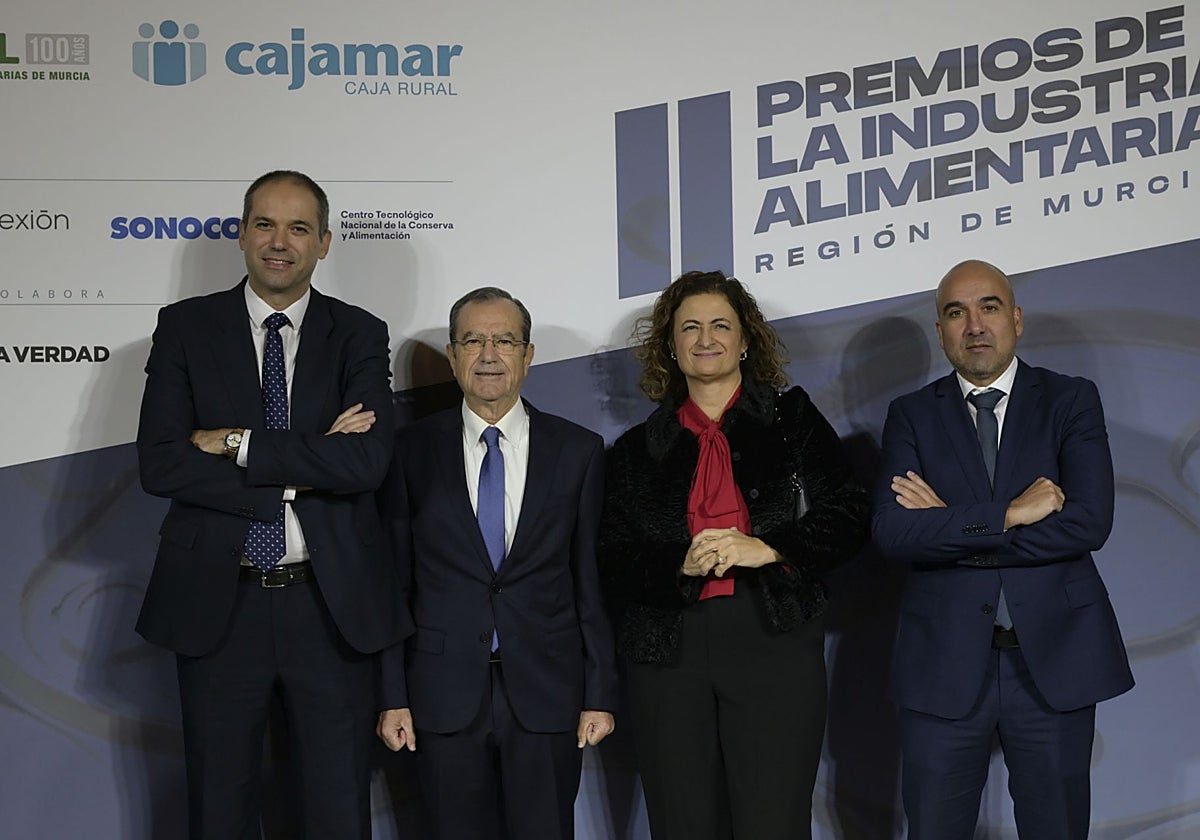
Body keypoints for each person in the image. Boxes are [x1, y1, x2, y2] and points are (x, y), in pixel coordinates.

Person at [136, 170, 400, 839]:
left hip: (329, 606)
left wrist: (235, 443)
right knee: (219, 808)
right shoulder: (186, 327)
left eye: (298, 228)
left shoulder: (360, 334)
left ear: (325, 243)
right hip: (218, 606)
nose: (279, 242)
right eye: (265, 224)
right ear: (243, 232)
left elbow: (365, 463)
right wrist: (307, 463)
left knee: (338, 811)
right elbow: (162, 462)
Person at [599, 270, 869, 840]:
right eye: (689, 327)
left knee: (772, 822)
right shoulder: (632, 451)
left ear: (746, 339)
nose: (705, 338)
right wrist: (680, 565)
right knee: (682, 824)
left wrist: (769, 547)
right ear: (669, 347)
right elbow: (613, 558)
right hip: (667, 653)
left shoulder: (792, 419)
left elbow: (848, 514)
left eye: (721, 325)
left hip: (773, 641)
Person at [872, 259, 1134, 839]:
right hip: (942, 663)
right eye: (955, 312)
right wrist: (1010, 515)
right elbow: (892, 532)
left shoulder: (1070, 401)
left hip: (1051, 662)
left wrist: (947, 527)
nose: (974, 325)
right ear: (939, 331)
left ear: (1016, 319)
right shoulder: (911, 415)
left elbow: (1088, 523)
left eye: (989, 307)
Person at [376, 287, 618, 840]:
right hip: (440, 694)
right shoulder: (408, 452)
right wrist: (392, 695)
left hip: (547, 691)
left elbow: (589, 580)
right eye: (472, 340)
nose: (489, 354)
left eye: (504, 340)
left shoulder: (578, 451)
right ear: (453, 354)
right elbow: (394, 584)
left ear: (528, 354)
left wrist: (600, 693)